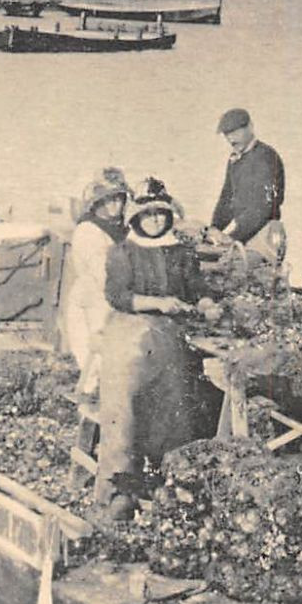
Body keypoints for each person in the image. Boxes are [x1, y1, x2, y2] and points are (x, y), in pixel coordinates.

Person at [95, 178, 215, 520]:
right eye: (147, 216)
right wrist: (159, 303)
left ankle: (170, 484)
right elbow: (117, 295)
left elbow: (196, 286)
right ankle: (119, 489)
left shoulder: (181, 251)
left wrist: (206, 303)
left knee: (175, 405)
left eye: (160, 216)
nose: (155, 222)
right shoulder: (122, 253)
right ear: (136, 219)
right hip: (128, 334)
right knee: (124, 406)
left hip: (169, 338)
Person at [61, 168, 129, 400]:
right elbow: (104, 274)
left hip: (111, 297)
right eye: (109, 200)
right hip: (93, 300)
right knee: (96, 360)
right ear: (97, 202)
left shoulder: (121, 228)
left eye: (120, 199)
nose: (115, 206)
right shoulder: (89, 231)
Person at [209, 107, 286, 263]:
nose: (231, 140)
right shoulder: (236, 159)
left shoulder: (265, 157)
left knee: (232, 271)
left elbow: (264, 208)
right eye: (227, 135)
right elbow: (227, 198)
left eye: (235, 133)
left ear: (250, 127)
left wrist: (233, 237)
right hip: (245, 234)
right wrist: (214, 229)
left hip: (265, 236)